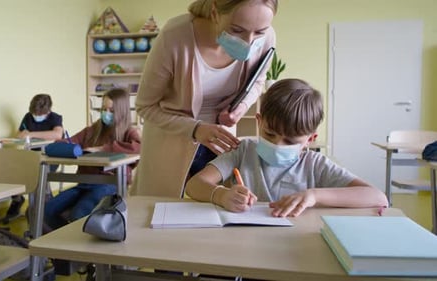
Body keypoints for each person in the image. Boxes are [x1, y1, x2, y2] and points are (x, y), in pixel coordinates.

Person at [131, 0, 278, 198]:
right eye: (236, 30)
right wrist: (195, 129)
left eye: (259, 32)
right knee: (163, 215)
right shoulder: (175, 36)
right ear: (215, 12)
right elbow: (145, 106)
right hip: (171, 142)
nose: (249, 41)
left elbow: (258, 83)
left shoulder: (267, 38)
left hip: (220, 144)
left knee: (219, 212)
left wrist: (240, 107)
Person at [185, 78, 388, 217]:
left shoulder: (315, 164)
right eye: (269, 134)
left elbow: (377, 197)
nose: (277, 144)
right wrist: (221, 195)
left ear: (311, 139)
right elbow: (194, 185)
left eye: (291, 142)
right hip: (246, 244)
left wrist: (314, 196)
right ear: (259, 122)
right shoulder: (242, 150)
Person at [44, 88, 141, 230]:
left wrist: (103, 149)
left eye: (111, 110)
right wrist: (66, 146)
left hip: (109, 185)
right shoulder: (92, 130)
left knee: (79, 214)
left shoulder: (129, 132)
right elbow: (70, 141)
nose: (106, 113)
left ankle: (78, 243)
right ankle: (69, 240)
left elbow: (139, 148)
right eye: (103, 109)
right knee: (48, 211)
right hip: (84, 183)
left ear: (121, 111)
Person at [5, 93, 64, 221]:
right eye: (34, 114)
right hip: (31, 156)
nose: (36, 117)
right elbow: (19, 134)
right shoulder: (28, 117)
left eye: (40, 114)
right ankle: (17, 199)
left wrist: (31, 134)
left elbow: (58, 134)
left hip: (50, 157)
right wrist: (24, 134)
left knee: (37, 174)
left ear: (48, 111)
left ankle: (43, 208)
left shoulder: (55, 118)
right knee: (8, 170)